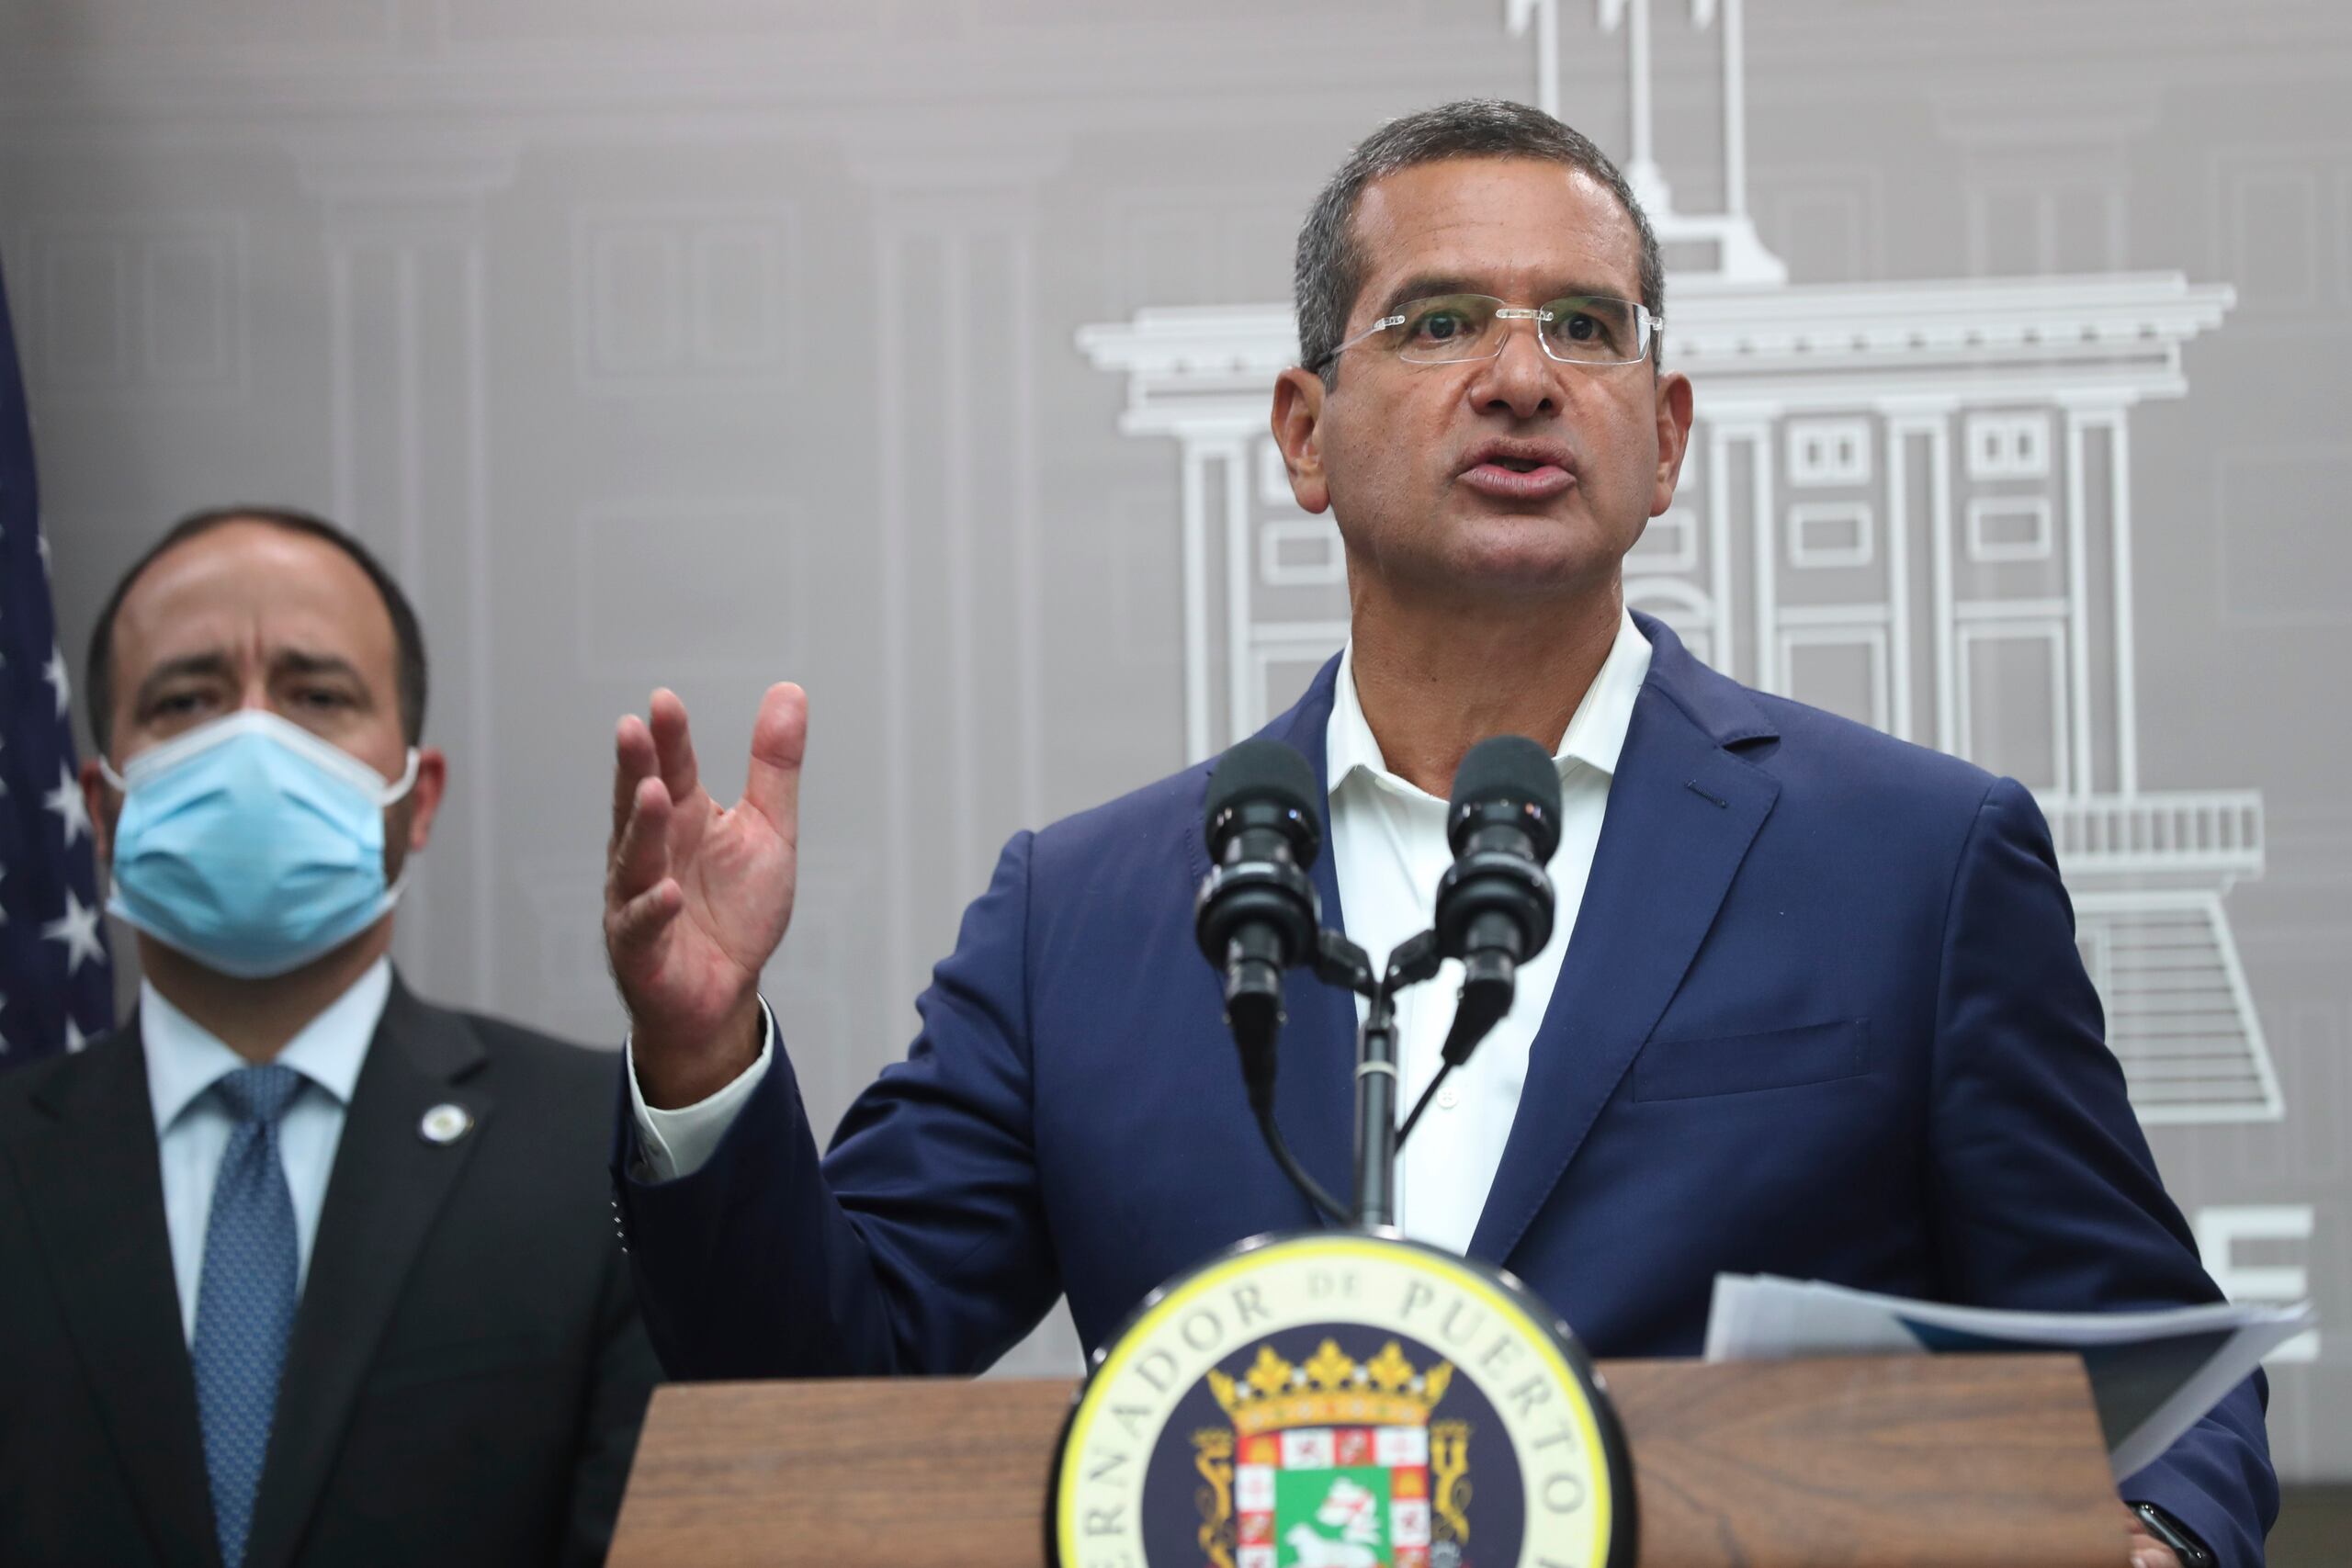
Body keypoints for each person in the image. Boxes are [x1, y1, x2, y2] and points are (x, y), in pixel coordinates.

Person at [602, 102, 2270, 1567]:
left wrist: (2151, 1539)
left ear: (1666, 434)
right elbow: (824, 1374)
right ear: (1304, 432)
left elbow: (2142, 1350)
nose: (1524, 377)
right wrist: (705, 1054)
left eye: (1587, 327)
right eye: (1441, 319)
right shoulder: (1087, 911)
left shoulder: (1912, 856)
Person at [0, 508, 661, 1568]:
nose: (252, 739)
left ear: (418, 794)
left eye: (316, 696)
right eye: (187, 701)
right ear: (103, 807)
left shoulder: (604, 1154)